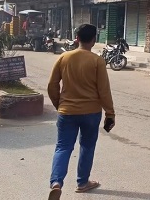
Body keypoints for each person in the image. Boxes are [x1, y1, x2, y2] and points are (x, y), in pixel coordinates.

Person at [47, 24, 115, 199]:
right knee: (87, 146)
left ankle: (56, 182)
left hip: (66, 112)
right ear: (94, 40)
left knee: (63, 147)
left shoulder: (64, 57)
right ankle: (82, 183)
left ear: (76, 38)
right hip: (91, 113)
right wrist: (110, 113)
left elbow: (52, 85)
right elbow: (104, 91)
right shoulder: (97, 61)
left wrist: (59, 105)